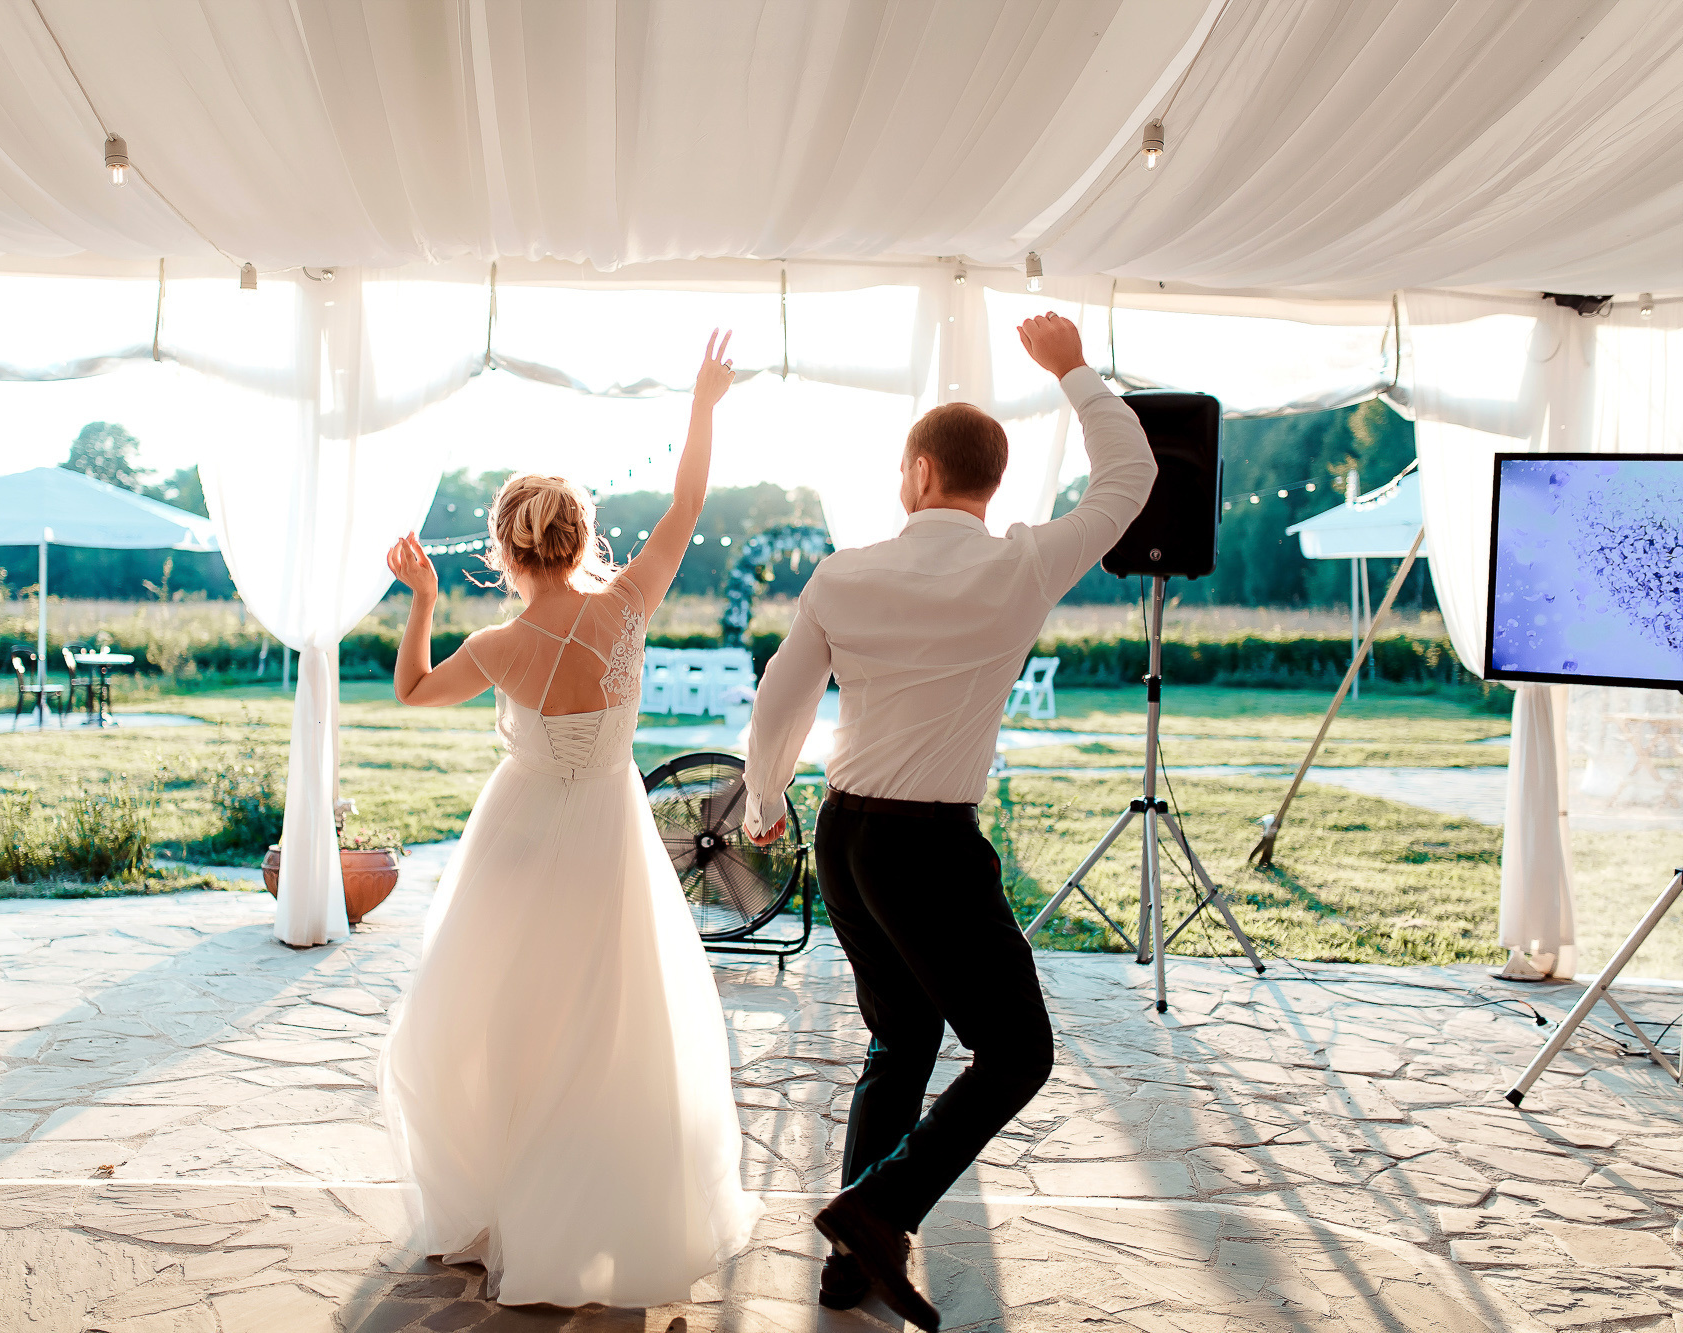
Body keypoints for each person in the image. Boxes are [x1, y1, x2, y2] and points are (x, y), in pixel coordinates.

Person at [741, 312, 1156, 1330]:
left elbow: (780, 700)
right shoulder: (1019, 566)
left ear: (921, 472)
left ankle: (852, 1257)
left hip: (844, 834)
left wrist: (762, 805)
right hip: (927, 845)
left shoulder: (843, 574)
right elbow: (1127, 479)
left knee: (902, 1039)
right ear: (986, 482)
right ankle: (879, 1209)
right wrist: (1070, 370)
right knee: (1016, 1052)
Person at [378, 331, 762, 1309]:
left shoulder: (498, 641)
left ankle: (506, 1204)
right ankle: (586, 1203)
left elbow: (413, 690)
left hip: (516, 837)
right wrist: (703, 402)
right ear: (581, 540)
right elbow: (684, 506)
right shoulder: (629, 603)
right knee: (608, 1018)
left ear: (507, 551)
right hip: (608, 834)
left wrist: (420, 596)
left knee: (498, 1015)